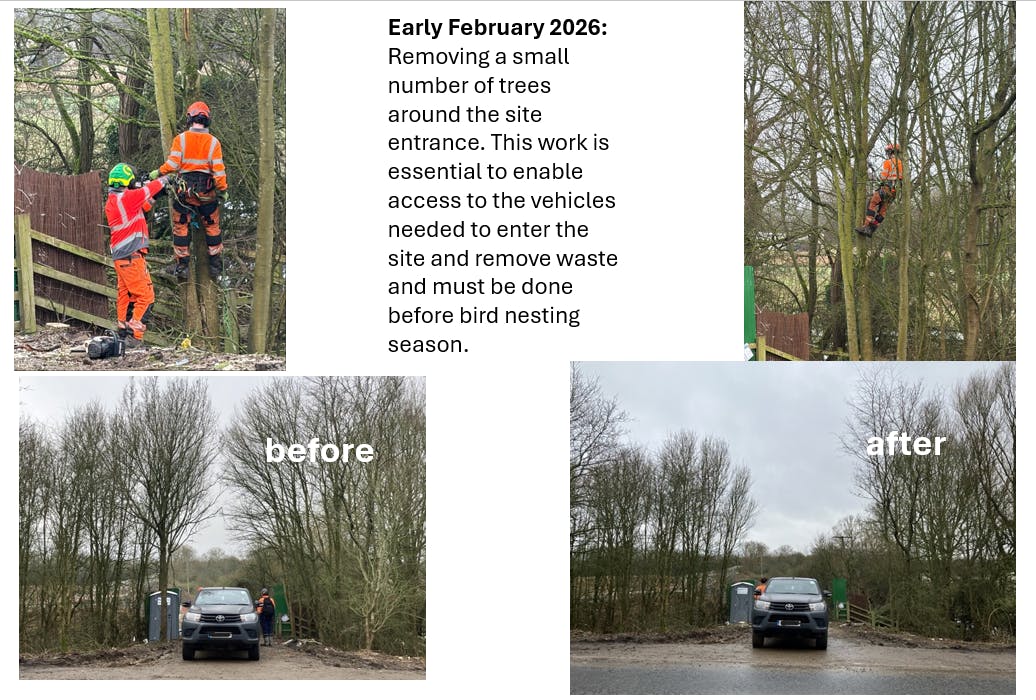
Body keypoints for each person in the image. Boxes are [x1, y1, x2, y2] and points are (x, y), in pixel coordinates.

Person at [151, 101, 228, 280]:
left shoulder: (181, 139)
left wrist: (159, 172)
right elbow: (218, 170)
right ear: (207, 120)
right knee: (212, 226)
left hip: (184, 194)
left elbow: (172, 164)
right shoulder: (214, 142)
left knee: (181, 227)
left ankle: (182, 266)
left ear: (189, 118)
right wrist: (222, 190)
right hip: (206, 194)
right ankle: (215, 266)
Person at [105, 163, 176, 346]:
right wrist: (165, 179)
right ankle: (134, 335)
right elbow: (146, 191)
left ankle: (122, 330)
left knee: (125, 294)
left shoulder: (115, 200)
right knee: (146, 296)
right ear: (126, 182)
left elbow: (142, 207)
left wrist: (156, 196)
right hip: (131, 256)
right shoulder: (126, 198)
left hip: (122, 257)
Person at [855, 143, 904, 237]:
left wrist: (872, 176)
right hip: (895, 193)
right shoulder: (902, 163)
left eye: (888, 152)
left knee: (872, 203)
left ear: (890, 152)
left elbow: (883, 177)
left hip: (886, 188)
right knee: (882, 211)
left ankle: (865, 226)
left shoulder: (888, 162)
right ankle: (871, 230)